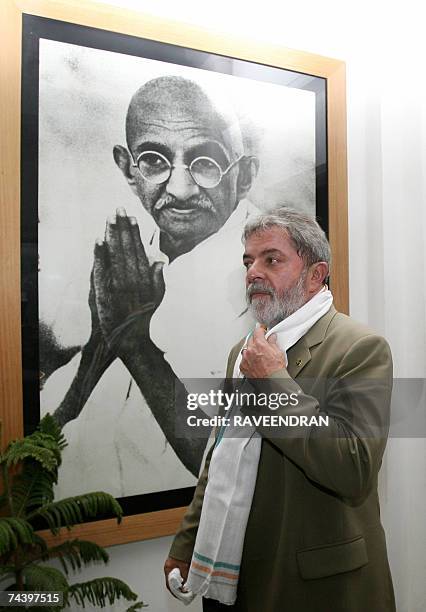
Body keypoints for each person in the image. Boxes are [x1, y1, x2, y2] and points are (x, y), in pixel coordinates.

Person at [165, 207, 395, 612]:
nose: (253, 271)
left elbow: (354, 468)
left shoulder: (359, 348)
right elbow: (219, 457)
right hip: (235, 571)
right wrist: (188, 541)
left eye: (271, 259)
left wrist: (273, 380)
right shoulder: (246, 351)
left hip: (319, 587)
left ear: (315, 275)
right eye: (248, 261)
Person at [41, 76, 259, 497]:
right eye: (155, 160)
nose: (179, 190)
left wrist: (136, 343)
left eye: (206, 163)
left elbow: (240, 460)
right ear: (127, 167)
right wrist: (102, 341)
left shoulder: (270, 275)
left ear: (245, 175)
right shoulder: (130, 262)